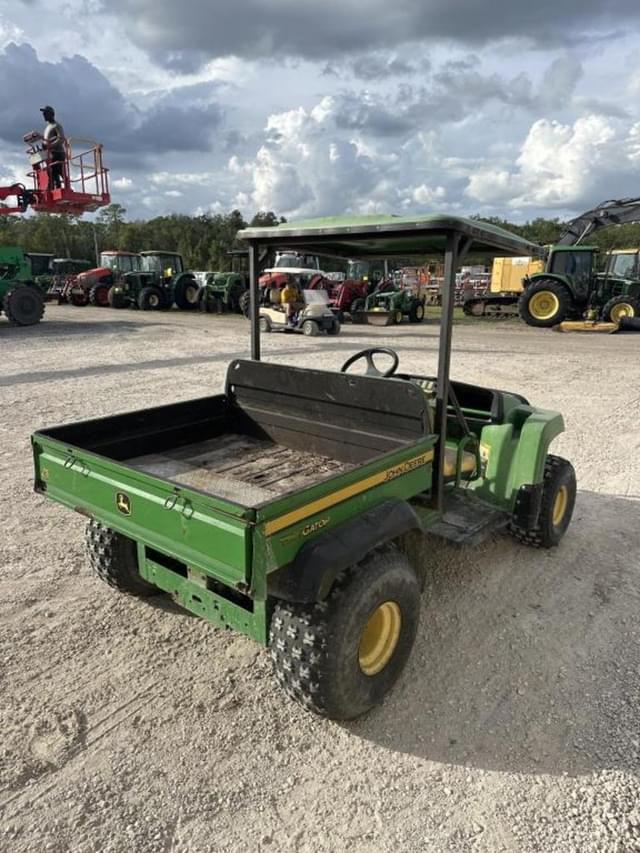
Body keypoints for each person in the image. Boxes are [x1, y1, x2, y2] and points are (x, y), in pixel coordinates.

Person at [40, 105, 66, 189]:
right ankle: (54, 187)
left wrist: (50, 145)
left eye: (45, 113)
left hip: (58, 153)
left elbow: (61, 139)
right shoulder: (47, 128)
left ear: (51, 114)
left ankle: (63, 187)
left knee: (58, 171)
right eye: (43, 114)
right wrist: (44, 146)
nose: (43, 115)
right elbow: (46, 140)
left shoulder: (57, 125)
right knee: (52, 172)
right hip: (50, 154)